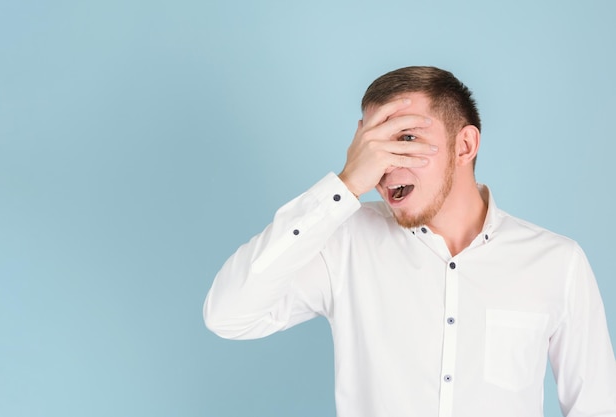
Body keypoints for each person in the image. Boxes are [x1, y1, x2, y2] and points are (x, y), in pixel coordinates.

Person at [203, 66, 616, 416]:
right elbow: (228, 315)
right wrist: (345, 186)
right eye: (373, 145)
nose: (384, 163)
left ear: (465, 145)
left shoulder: (556, 262)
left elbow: (598, 406)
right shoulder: (344, 242)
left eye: (405, 138)